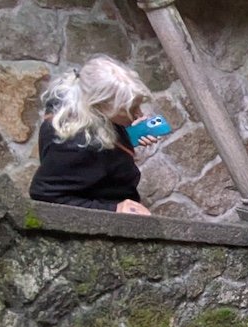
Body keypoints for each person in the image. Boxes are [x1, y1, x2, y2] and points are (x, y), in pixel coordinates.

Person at [29, 56, 156, 215]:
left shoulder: (83, 106)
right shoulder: (74, 146)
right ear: (100, 105)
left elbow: (101, 156)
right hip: (103, 219)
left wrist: (129, 135)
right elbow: (44, 194)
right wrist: (113, 209)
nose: (139, 114)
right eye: (130, 109)